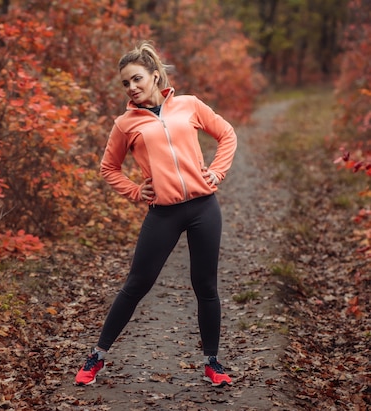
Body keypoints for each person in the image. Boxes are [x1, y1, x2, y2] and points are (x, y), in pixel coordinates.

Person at [75, 41, 237, 388]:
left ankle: (213, 363)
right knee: (136, 284)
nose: (131, 87)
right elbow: (109, 168)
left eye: (136, 79)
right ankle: (97, 356)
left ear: (154, 76)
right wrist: (135, 191)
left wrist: (217, 172)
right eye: (125, 83)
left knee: (205, 285)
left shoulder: (188, 105)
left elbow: (226, 134)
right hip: (163, 213)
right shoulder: (125, 124)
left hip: (203, 207)